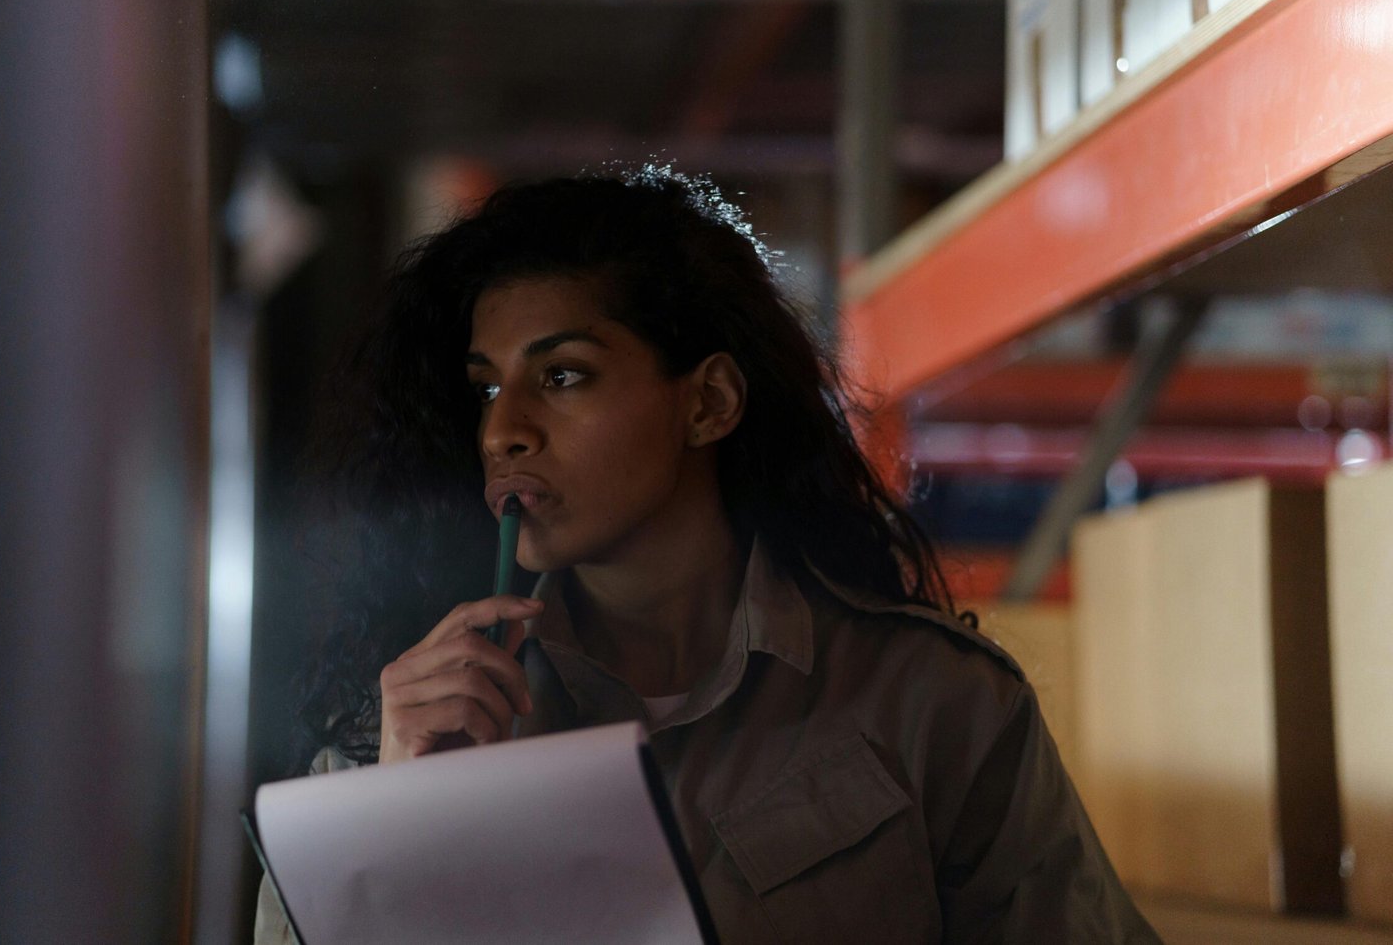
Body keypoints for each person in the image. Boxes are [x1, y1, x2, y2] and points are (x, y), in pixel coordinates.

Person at [254, 167, 1160, 943]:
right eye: (486, 388)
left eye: (561, 375)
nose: (503, 430)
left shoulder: (937, 704)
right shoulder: (407, 733)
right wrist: (396, 819)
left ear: (709, 402)